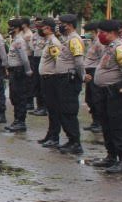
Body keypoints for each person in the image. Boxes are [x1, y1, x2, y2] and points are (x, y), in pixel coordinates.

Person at [91, 19, 122, 173]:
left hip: (116, 93)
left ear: (111, 33)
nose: (99, 35)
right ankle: (111, 156)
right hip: (105, 93)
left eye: (102, 33)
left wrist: (118, 81)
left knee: (118, 127)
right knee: (107, 126)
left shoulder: (120, 48)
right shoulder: (109, 48)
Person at [56, 14, 86, 154]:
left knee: (69, 111)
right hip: (63, 79)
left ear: (70, 25)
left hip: (70, 79)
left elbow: (79, 62)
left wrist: (83, 76)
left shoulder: (74, 40)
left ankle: (75, 142)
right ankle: (71, 139)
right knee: (63, 110)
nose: (60, 26)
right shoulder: (68, 39)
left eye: (63, 23)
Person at [36, 17, 66, 149]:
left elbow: (57, 61)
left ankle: (54, 137)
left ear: (48, 28)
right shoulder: (48, 42)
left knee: (54, 109)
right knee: (50, 108)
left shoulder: (53, 43)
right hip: (46, 79)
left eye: (43, 27)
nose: (41, 29)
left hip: (52, 79)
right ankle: (50, 134)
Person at [5, 18, 33, 132]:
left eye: (10, 27)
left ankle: (21, 122)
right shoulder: (15, 39)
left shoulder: (19, 41)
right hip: (14, 70)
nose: (8, 29)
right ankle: (17, 120)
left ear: (16, 28)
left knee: (20, 97)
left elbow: (24, 58)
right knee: (14, 96)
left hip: (19, 71)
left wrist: (28, 71)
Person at [82, 22, 105, 133]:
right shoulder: (92, 42)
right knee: (89, 99)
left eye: (87, 31)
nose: (86, 34)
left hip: (95, 71)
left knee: (96, 99)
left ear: (93, 31)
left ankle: (100, 122)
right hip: (89, 71)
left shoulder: (99, 43)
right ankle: (94, 121)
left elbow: (102, 59)